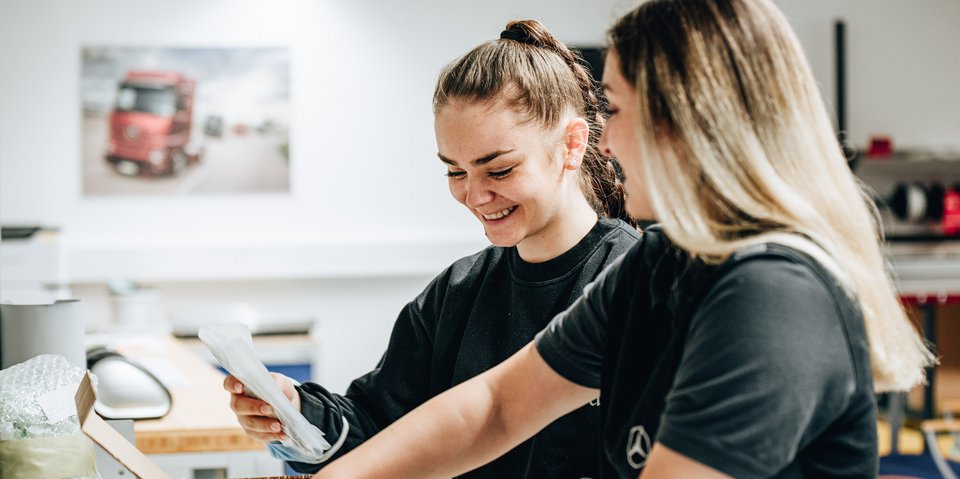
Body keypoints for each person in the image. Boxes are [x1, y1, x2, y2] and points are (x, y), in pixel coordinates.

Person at [307, 1, 935, 478]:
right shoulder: (664, 262)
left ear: (686, 122)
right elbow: (497, 406)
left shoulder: (773, 295)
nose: (606, 143)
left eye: (618, 109)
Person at [224, 20, 640, 479]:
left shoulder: (636, 281)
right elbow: (381, 429)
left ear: (572, 145)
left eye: (499, 170)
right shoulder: (458, 292)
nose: (475, 195)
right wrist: (299, 414)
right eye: (455, 172)